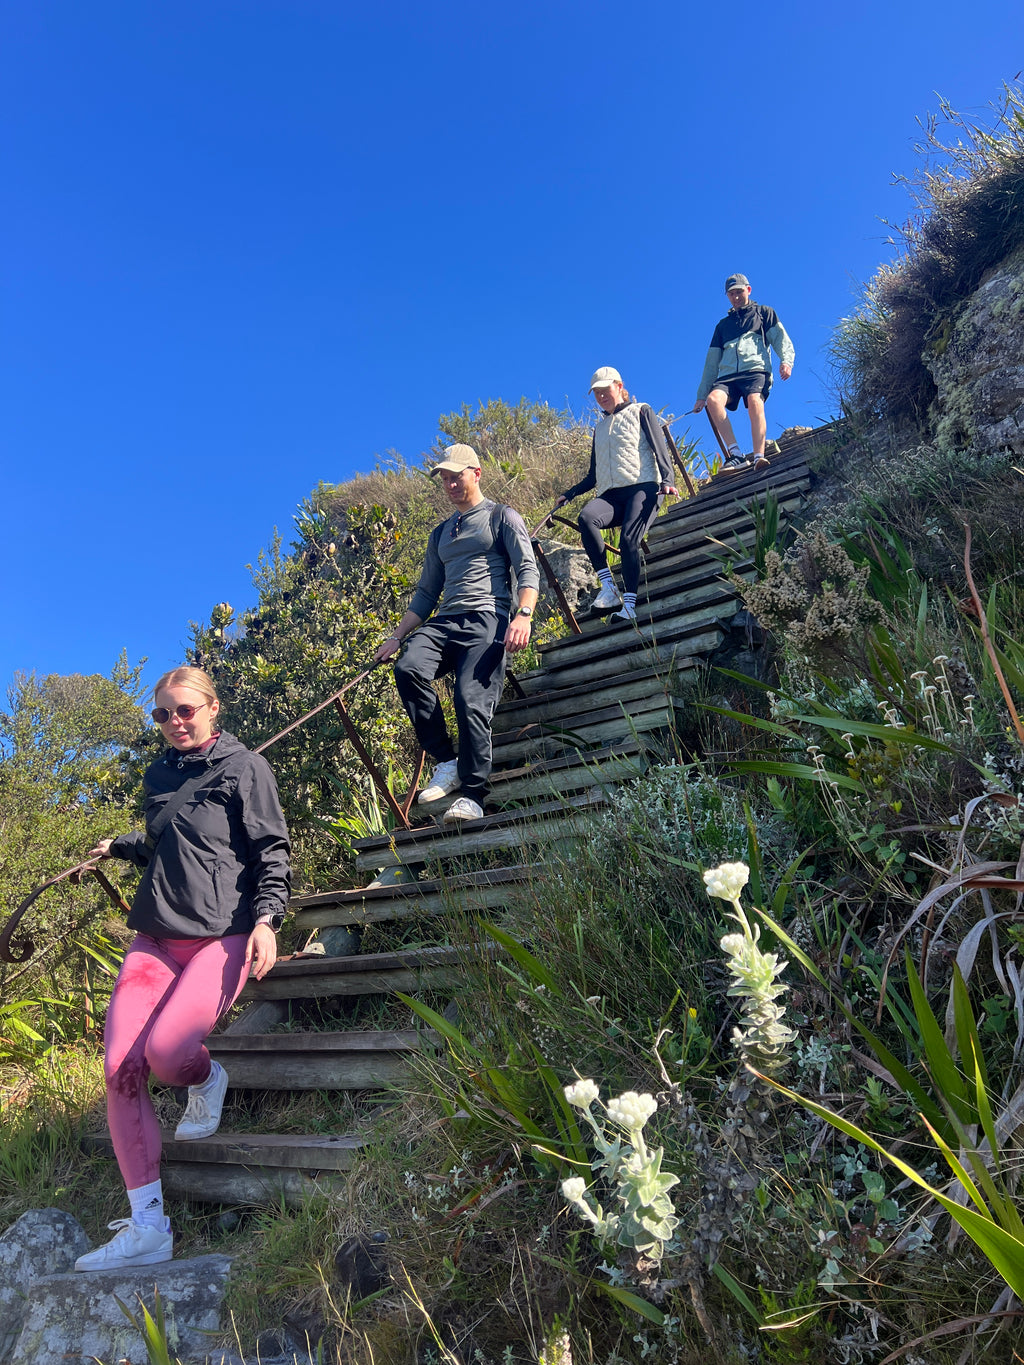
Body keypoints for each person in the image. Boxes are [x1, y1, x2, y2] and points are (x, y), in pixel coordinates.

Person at [74, 666, 290, 1272]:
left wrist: (268, 921)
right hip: (155, 939)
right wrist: (121, 847)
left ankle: (207, 1080)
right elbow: (171, 844)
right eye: (163, 714)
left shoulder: (245, 768)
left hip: (223, 935)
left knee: (169, 1056)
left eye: (185, 710)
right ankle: (147, 1226)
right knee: (120, 1065)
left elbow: (269, 849)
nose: (175, 723)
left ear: (213, 707)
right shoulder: (159, 773)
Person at [373, 443, 540, 823]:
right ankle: (447, 761)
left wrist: (523, 614)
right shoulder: (441, 533)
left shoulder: (502, 517)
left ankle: (473, 794)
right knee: (408, 668)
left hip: (488, 617)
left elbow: (528, 571)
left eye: (455, 477)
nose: (449, 485)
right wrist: (397, 636)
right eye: (444, 479)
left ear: (476, 473)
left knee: (470, 698)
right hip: (446, 621)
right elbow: (427, 593)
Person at [554, 367, 677, 622]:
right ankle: (609, 589)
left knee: (628, 540)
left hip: (644, 487)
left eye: (605, 390)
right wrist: (570, 493)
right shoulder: (599, 429)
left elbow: (659, 446)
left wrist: (668, 480)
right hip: (611, 495)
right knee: (587, 517)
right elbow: (592, 476)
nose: (601, 397)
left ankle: (630, 606)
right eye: (596, 393)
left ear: (619, 386)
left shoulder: (641, 410)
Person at [692, 273, 795, 475]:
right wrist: (701, 396)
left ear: (748, 290)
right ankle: (736, 455)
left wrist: (786, 361)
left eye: (739, 291)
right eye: (731, 294)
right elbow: (711, 362)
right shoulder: (722, 326)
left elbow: (781, 339)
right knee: (713, 400)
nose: (736, 297)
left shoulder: (764, 313)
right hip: (728, 375)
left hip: (755, 369)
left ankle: (759, 455)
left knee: (755, 401)